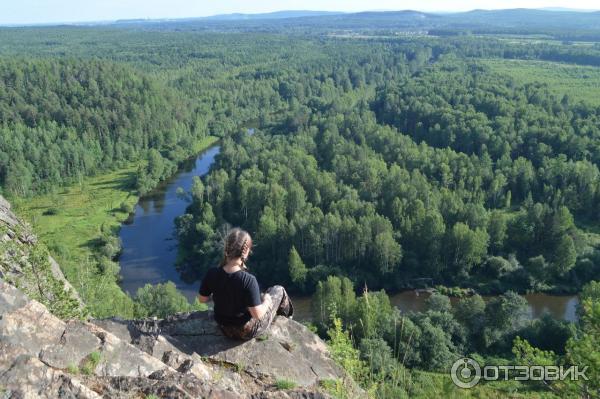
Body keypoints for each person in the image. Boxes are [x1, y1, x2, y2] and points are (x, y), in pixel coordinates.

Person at [197, 227, 294, 340]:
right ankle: (287, 323)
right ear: (246, 251)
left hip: (223, 328)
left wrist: (219, 295)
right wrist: (267, 301)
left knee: (260, 297)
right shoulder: (248, 280)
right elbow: (257, 315)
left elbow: (202, 299)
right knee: (278, 290)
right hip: (246, 331)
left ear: (226, 249)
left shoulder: (212, 273)